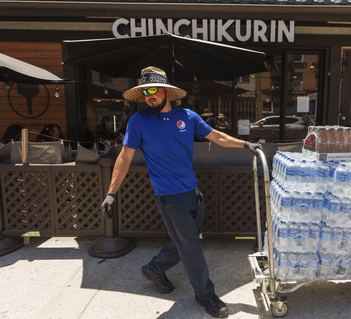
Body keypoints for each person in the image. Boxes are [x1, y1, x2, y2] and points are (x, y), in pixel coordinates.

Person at [100, 66, 261, 319]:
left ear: (167, 92)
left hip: (193, 192)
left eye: (153, 90)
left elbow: (217, 137)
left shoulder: (188, 117)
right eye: (144, 92)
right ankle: (206, 295)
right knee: (191, 247)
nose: (148, 96)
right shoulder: (138, 121)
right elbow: (124, 158)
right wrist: (111, 192)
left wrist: (245, 144)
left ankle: (154, 269)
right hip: (169, 197)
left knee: (183, 241)